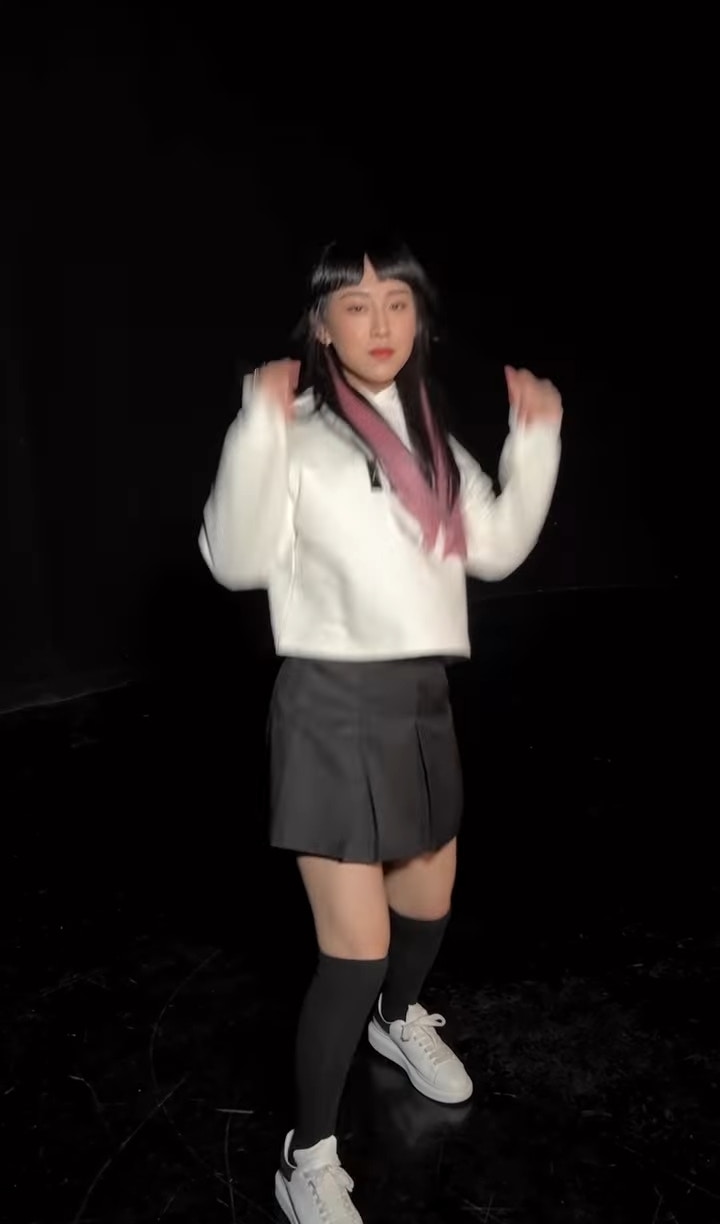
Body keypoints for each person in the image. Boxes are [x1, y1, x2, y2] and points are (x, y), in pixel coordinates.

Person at [199, 237, 562, 1223]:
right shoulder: (295, 429)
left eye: (397, 301)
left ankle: (399, 1021)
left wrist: (535, 442)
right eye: (355, 306)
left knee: (428, 907)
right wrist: (256, 426)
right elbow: (234, 560)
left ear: (420, 317)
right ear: (320, 326)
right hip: (329, 705)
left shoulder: (432, 432)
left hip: (420, 700)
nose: (381, 324)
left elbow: (494, 548)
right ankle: (306, 1155)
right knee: (353, 951)